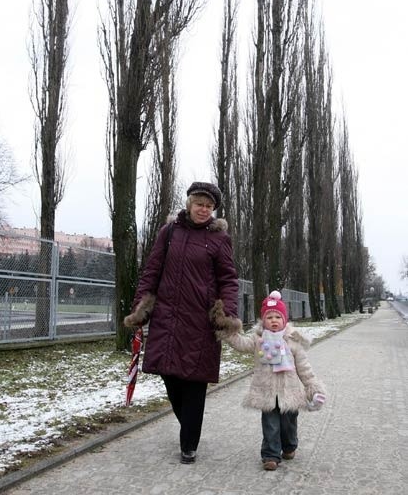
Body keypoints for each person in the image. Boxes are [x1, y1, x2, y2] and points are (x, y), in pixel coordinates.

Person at [124, 181, 242, 464]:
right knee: (170, 376)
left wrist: (226, 313)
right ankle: (188, 424)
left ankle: (189, 442)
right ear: (189, 203)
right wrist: (141, 306)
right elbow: (152, 270)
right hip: (167, 317)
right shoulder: (169, 233)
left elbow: (228, 279)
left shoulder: (219, 240)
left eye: (209, 206)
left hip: (201, 321)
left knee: (195, 382)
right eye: (199, 204)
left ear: (214, 210)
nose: (204, 210)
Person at [219, 290, 326, 471]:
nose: (274, 320)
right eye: (270, 317)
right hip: (267, 393)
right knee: (270, 425)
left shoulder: (293, 342)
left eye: (278, 316)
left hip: (290, 393)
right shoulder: (258, 341)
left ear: (284, 319)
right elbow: (241, 344)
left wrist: (313, 388)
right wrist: (228, 332)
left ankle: (290, 446)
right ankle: (270, 455)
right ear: (263, 320)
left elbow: (305, 369)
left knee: (288, 424)